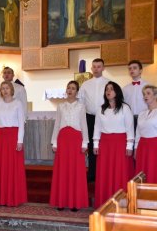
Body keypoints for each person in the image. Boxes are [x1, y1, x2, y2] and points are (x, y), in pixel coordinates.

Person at [93, 81, 134, 208]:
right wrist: (95, 143)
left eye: (111, 89)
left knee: (120, 172)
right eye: (106, 89)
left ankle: (121, 203)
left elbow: (130, 128)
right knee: (104, 173)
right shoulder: (101, 108)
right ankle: (104, 202)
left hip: (120, 143)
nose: (108, 91)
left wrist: (129, 146)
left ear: (117, 91)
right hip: (105, 144)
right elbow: (97, 127)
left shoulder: (125, 108)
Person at [50, 81, 89, 212]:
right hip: (63, 139)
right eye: (68, 88)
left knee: (75, 171)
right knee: (63, 170)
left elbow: (84, 124)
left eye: (73, 88)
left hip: (76, 139)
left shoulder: (81, 106)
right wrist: (54, 141)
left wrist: (85, 142)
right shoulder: (61, 106)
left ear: (77, 92)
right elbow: (57, 124)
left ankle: (75, 202)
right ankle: (61, 201)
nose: (70, 90)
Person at [0, 81, 27, 207]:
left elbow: (21, 123)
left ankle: (14, 198)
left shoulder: (18, 103)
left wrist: (20, 141)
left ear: (11, 90)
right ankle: (1, 198)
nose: (5, 90)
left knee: (13, 167)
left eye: (7, 88)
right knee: (1, 167)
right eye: (3, 88)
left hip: (13, 137)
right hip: (1, 137)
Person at [78, 58, 110, 182]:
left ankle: (104, 173)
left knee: (104, 145)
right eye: (94, 67)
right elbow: (81, 102)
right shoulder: (85, 84)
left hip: (105, 116)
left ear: (103, 68)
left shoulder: (109, 83)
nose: (96, 69)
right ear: (91, 69)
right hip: (90, 117)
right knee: (91, 146)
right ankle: (92, 173)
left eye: (99, 66)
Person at [135, 85, 157, 184]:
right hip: (142, 147)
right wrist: (136, 148)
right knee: (142, 174)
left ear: (156, 95)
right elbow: (138, 133)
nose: (145, 96)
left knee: (156, 173)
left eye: (148, 93)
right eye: (144, 94)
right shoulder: (142, 113)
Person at [122, 60, 148, 130]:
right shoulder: (125, 89)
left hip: (144, 118)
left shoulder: (148, 86)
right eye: (130, 68)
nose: (132, 70)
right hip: (130, 119)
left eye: (134, 68)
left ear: (140, 70)